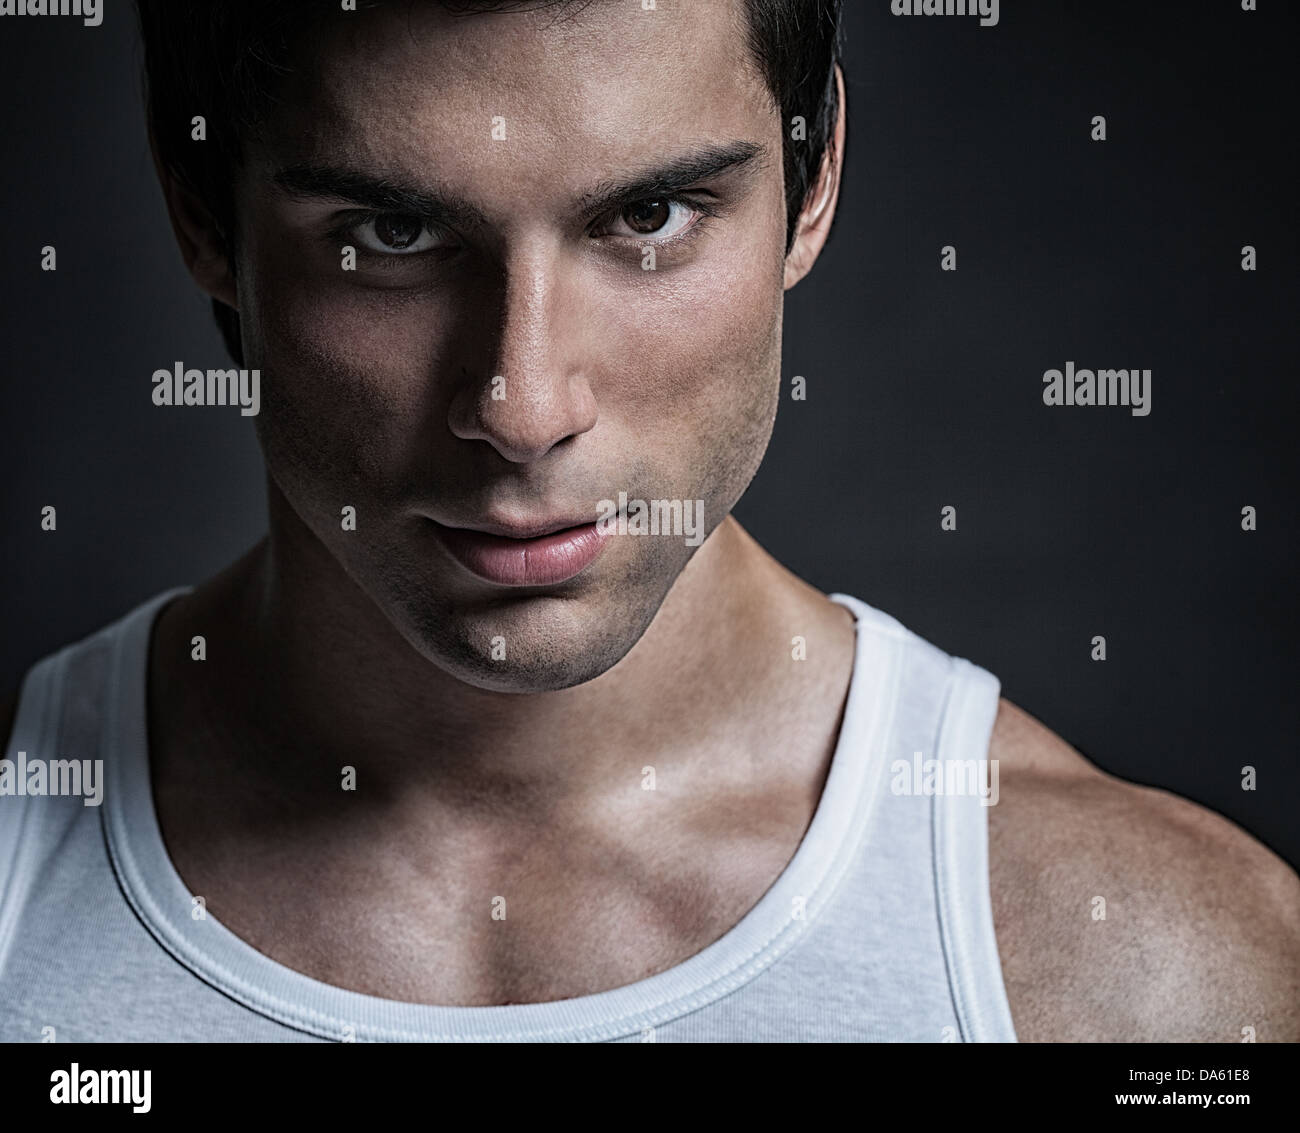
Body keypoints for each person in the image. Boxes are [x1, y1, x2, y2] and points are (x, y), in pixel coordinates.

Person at [1, 0, 1296, 1043]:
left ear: (816, 171)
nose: (522, 405)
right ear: (198, 211)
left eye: (648, 216)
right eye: (392, 232)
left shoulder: (1144, 964)